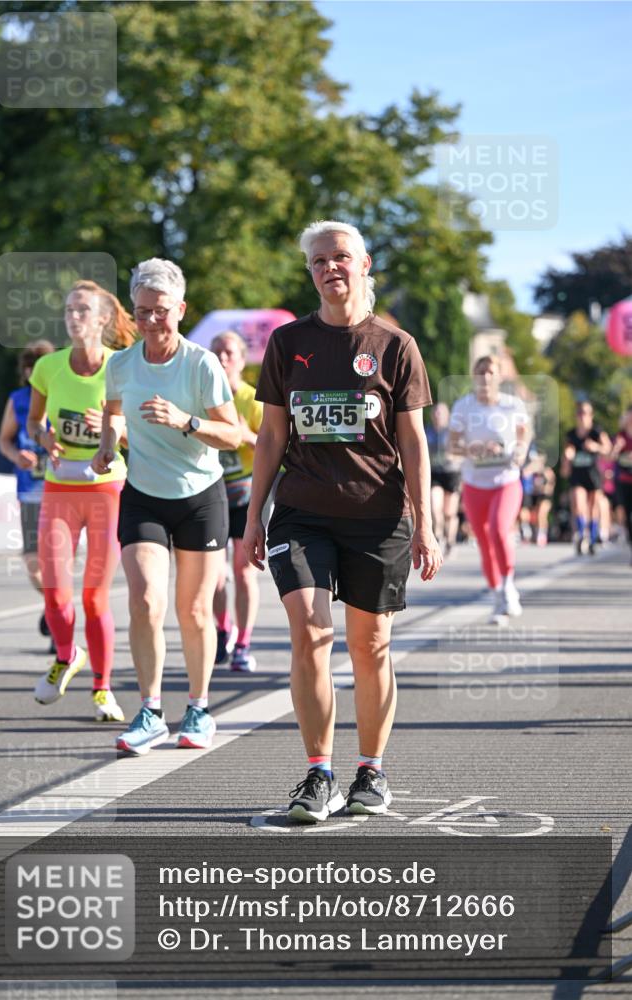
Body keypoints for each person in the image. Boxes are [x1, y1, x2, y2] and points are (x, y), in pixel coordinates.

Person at [243, 220, 441, 823]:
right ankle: (318, 773)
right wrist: (254, 517)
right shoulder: (286, 343)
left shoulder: (395, 346)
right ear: (311, 272)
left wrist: (426, 523)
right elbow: (272, 433)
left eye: (342, 258)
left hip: (377, 517)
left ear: (365, 264)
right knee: (309, 631)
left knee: (370, 644)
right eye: (319, 260)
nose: (331, 267)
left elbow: (414, 444)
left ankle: (371, 770)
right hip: (302, 512)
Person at [92, 258, 241, 756]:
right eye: (141, 312)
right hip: (144, 495)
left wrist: (185, 421)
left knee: (195, 610)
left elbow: (234, 434)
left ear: (180, 309)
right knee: (146, 600)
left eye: (160, 311)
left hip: (200, 497)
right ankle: (151, 711)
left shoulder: (202, 363)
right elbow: (114, 412)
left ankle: (198, 707)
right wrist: (107, 445)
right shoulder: (121, 364)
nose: (152, 321)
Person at [27, 280, 136, 721]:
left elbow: (139, 434)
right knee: (54, 593)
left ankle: (102, 690)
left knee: (94, 598)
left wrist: (111, 428)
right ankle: (68, 654)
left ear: (103, 319)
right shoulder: (48, 367)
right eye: (69, 310)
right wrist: (43, 437)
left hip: (107, 490)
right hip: (59, 488)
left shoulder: (122, 366)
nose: (73, 317)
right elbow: (34, 421)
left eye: (82, 310)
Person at [448, 356, 529, 623]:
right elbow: (452, 445)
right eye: (480, 371)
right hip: (475, 483)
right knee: (483, 542)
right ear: (474, 376)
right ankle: (497, 595)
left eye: (490, 372)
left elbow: (524, 434)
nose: (485, 377)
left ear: (499, 377)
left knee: (498, 529)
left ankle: (508, 586)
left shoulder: (512, 405)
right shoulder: (463, 406)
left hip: (506, 480)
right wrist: (469, 449)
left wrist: (519, 451)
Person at [210, 331, 263, 673]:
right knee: (213, 575)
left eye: (229, 352)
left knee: (243, 571)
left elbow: (276, 450)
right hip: (211, 493)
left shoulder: (253, 400)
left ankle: (243, 641)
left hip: (245, 493)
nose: (222, 358)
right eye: (216, 352)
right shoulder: (202, 397)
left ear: (242, 360)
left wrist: (246, 436)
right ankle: (221, 632)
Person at [0, 339, 55, 644]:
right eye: (32, 370)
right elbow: (5, 440)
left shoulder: (63, 396)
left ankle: (59, 622)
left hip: (65, 491)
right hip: (31, 491)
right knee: (34, 563)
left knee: (58, 562)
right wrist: (15, 456)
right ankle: (54, 605)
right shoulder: (18, 400)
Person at [561, 401, 611, 556]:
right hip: (578, 475)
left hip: (593, 474)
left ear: (591, 415)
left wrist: (596, 447)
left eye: (586, 413)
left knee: (593, 507)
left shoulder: (596, 432)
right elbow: (567, 452)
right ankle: (581, 534)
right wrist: (567, 458)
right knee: (578, 501)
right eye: (580, 413)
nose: (583, 416)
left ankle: (593, 537)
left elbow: (608, 450)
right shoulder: (571, 434)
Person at [426, 402, 461, 556]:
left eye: (441, 413)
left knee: (449, 513)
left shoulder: (452, 432)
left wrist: (453, 455)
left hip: (451, 473)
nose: (438, 416)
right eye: (436, 413)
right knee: (435, 506)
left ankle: (450, 540)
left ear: (447, 416)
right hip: (434, 472)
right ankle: (438, 536)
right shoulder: (428, 431)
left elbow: (463, 452)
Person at [611, 404, 632, 562]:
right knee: (627, 516)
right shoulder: (620, 437)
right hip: (623, 481)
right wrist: (616, 448)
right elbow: (610, 458)